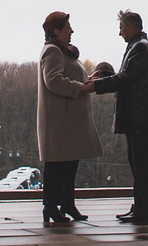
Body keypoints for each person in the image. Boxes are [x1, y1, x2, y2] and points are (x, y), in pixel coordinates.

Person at [86, 10, 148, 224]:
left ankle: (143, 209)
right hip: (138, 118)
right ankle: (140, 207)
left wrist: (97, 85)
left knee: (140, 164)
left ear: (131, 26)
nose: (119, 33)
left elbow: (126, 78)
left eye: (121, 28)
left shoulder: (140, 48)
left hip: (139, 118)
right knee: (138, 163)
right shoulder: (139, 47)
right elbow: (128, 77)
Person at [34, 11, 101, 227]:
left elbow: (68, 79)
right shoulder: (52, 51)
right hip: (60, 122)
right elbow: (53, 80)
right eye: (67, 27)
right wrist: (82, 87)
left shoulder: (64, 52)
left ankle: (67, 204)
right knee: (57, 166)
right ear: (56, 30)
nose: (72, 31)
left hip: (68, 121)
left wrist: (89, 80)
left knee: (69, 164)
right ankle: (51, 206)